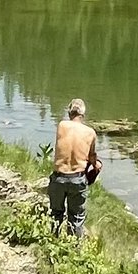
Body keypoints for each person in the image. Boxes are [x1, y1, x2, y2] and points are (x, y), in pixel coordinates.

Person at [47, 98, 97, 238]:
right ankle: (73, 249)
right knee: (76, 218)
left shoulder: (62, 125)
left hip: (59, 177)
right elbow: (91, 157)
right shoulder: (90, 132)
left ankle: (52, 242)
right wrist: (96, 164)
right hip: (77, 178)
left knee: (56, 214)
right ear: (83, 115)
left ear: (69, 113)